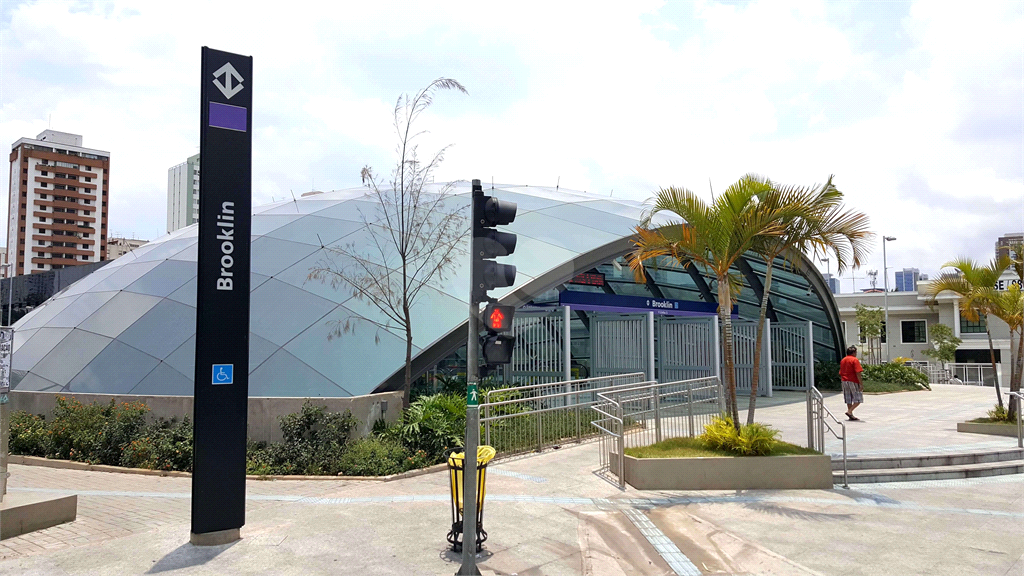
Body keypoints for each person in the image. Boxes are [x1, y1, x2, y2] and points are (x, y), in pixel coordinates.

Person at [838, 346, 864, 421]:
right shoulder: (854, 360)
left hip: (844, 380)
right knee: (858, 399)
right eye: (856, 352)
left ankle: (851, 415)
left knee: (848, 398)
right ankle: (849, 411)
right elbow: (858, 372)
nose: (856, 354)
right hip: (853, 380)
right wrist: (861, 383)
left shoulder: (843, 360)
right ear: (853, 352)